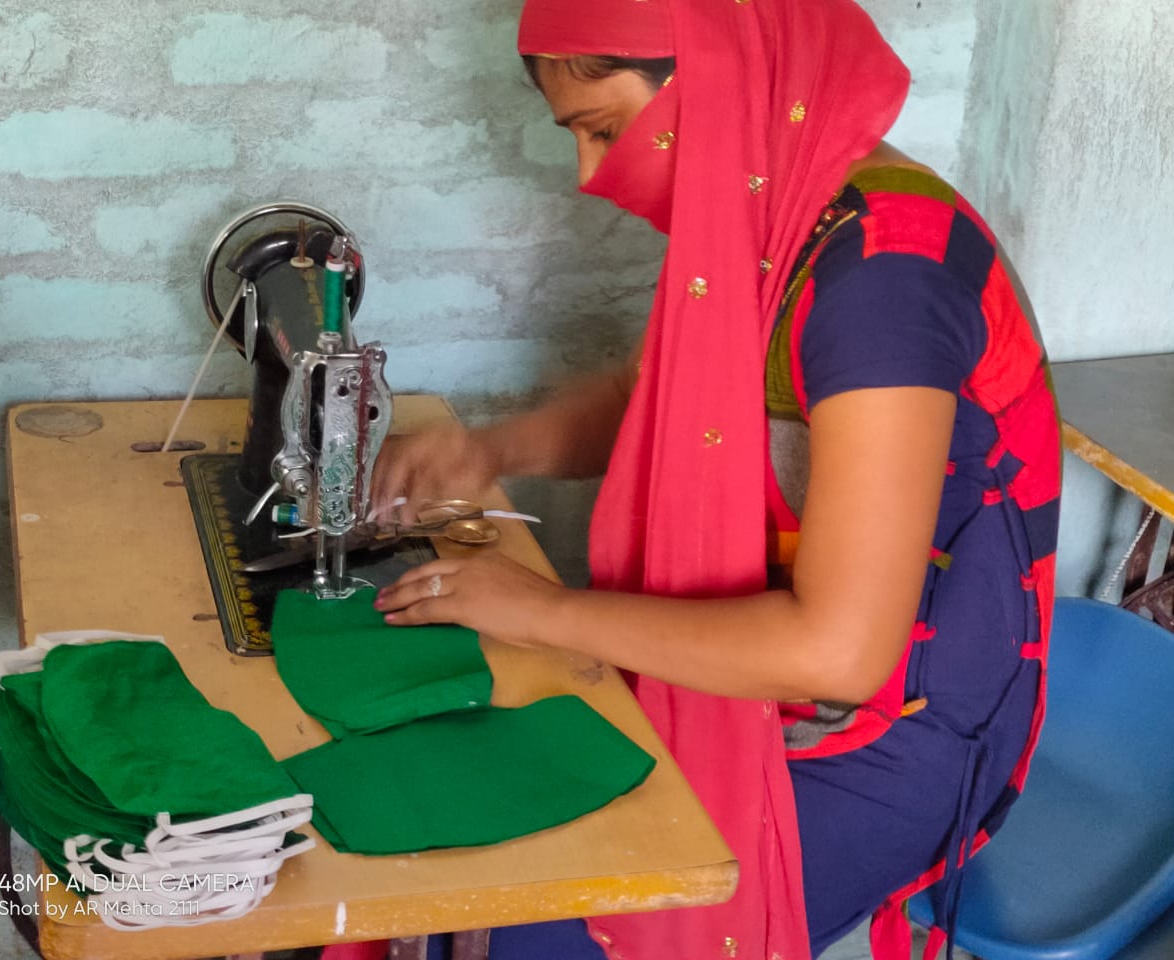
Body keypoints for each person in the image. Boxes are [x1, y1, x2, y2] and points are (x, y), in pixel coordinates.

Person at [367, 0, 1061, 958]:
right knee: (437, 819)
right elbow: (668, 399)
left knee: (531, 909)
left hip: (888, 732)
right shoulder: (785, 214)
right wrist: (492, 451)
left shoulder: (887, 277)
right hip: (772, 672)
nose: (590, 176)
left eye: (604, 130)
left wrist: (539, 608)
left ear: (724, 71)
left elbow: (838, 654)